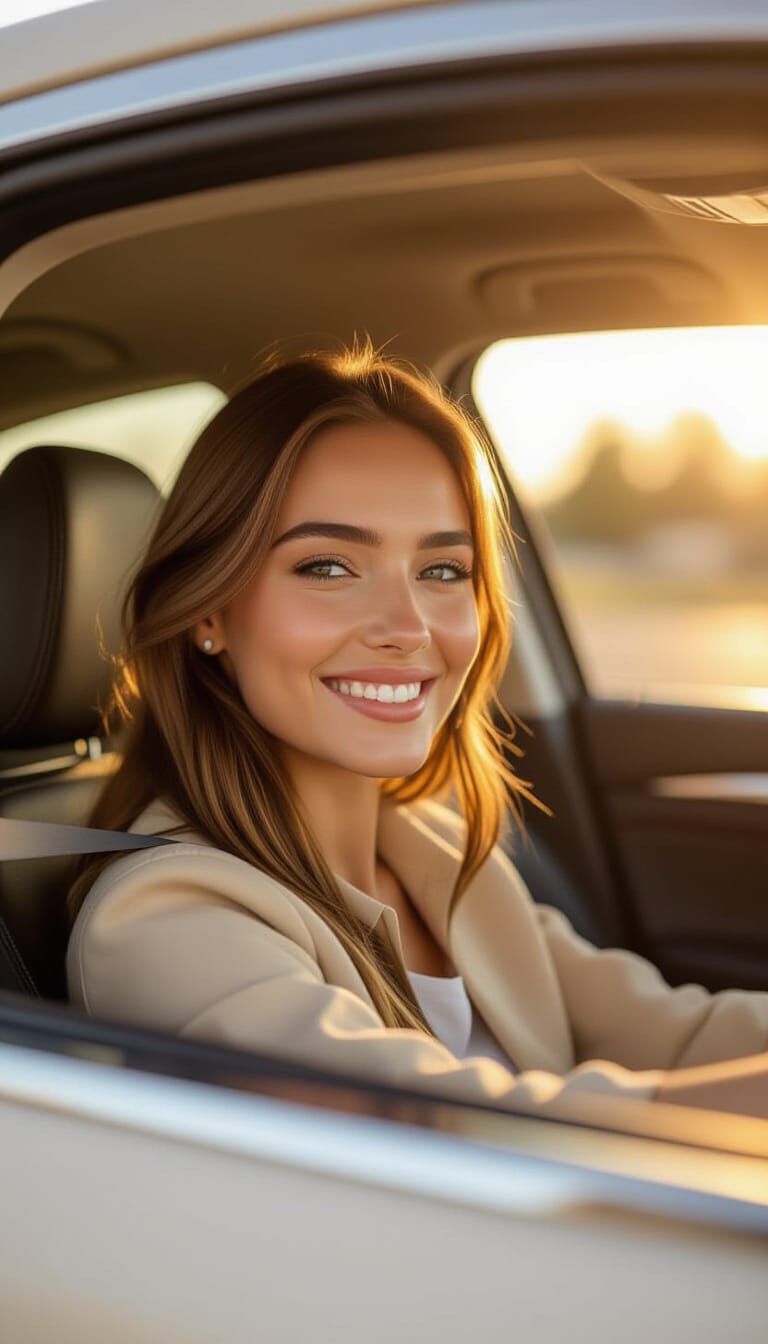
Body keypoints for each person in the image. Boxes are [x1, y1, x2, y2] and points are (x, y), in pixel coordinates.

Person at [66, 339, 768, 1123]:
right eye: (327, 567)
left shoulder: (443, 855)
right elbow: (449, 1128)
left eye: (442, 571)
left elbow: (678, 1036)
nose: (407, 628)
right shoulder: (163, 918)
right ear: (208, 611)